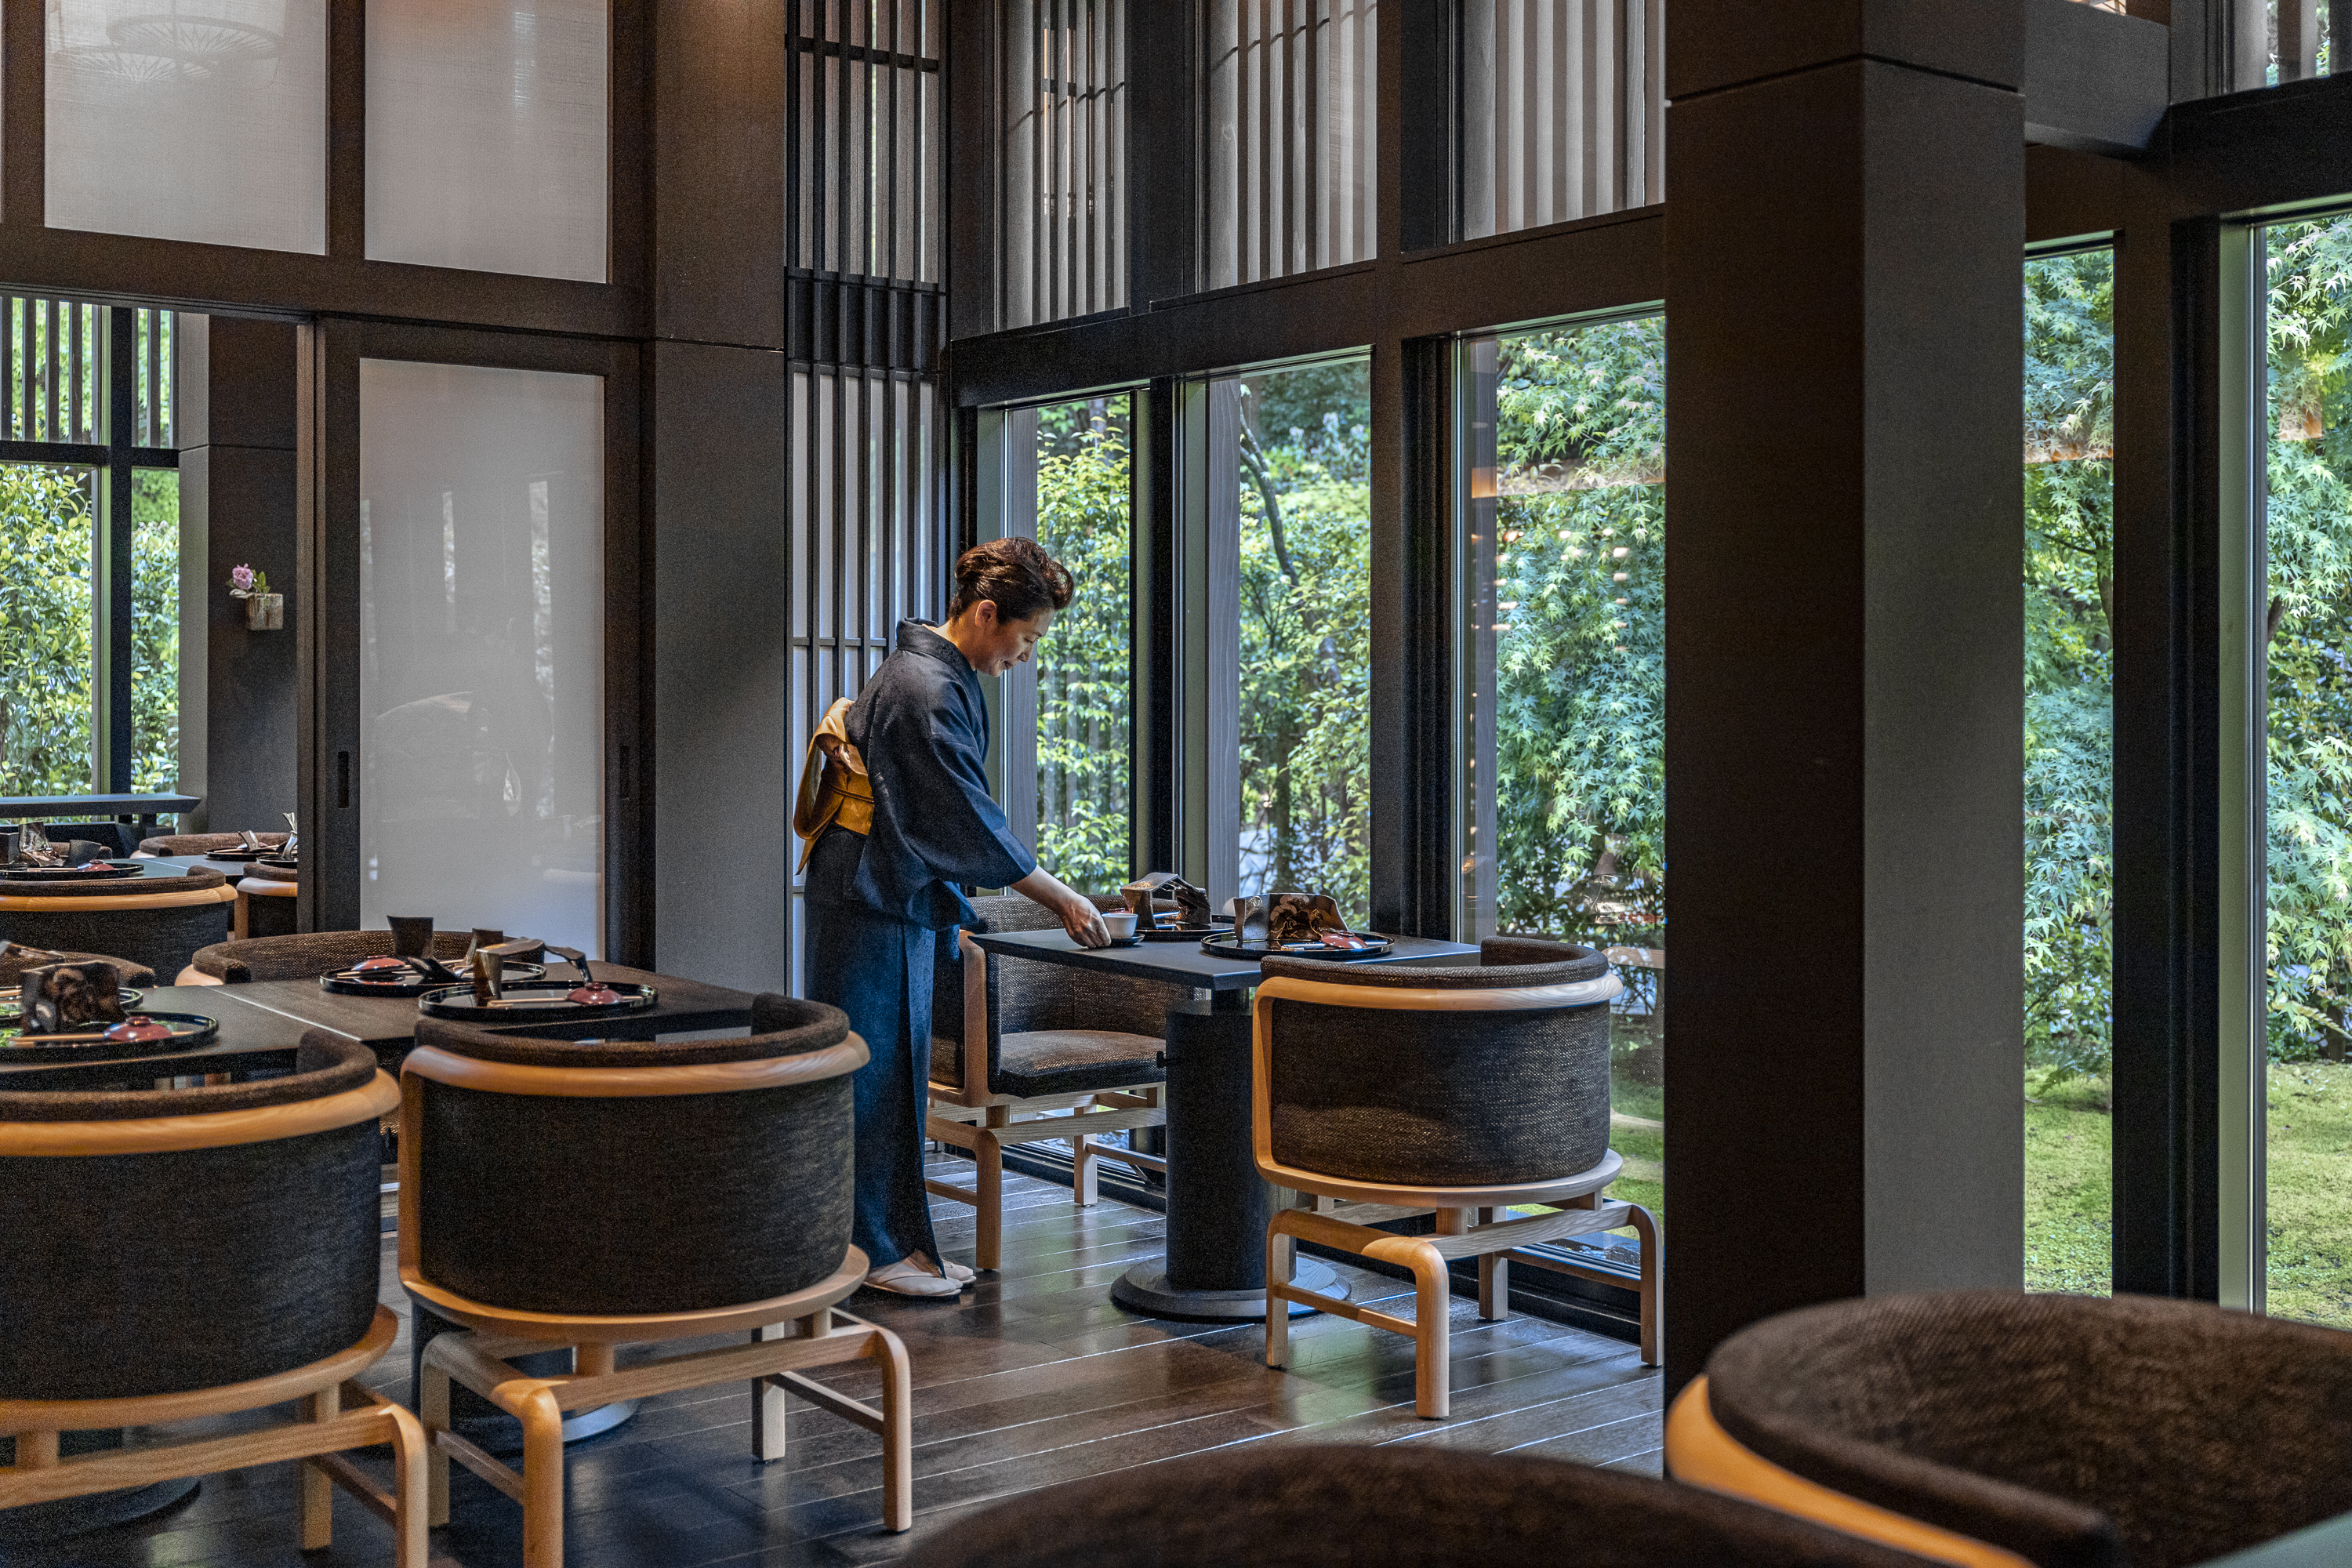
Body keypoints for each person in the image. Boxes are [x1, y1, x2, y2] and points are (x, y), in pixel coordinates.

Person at [799, 537, 1110, 1298]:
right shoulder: (922, 686)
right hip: (870, 890)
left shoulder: (934, 676)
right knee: (873, 1074)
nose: (1025, 655)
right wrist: (1061, 895)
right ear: (984, 612)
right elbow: (962, 814)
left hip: (883, 885)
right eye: (1026, 637)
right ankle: (877, 1252)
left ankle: (891, 1246)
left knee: (889, 1069)